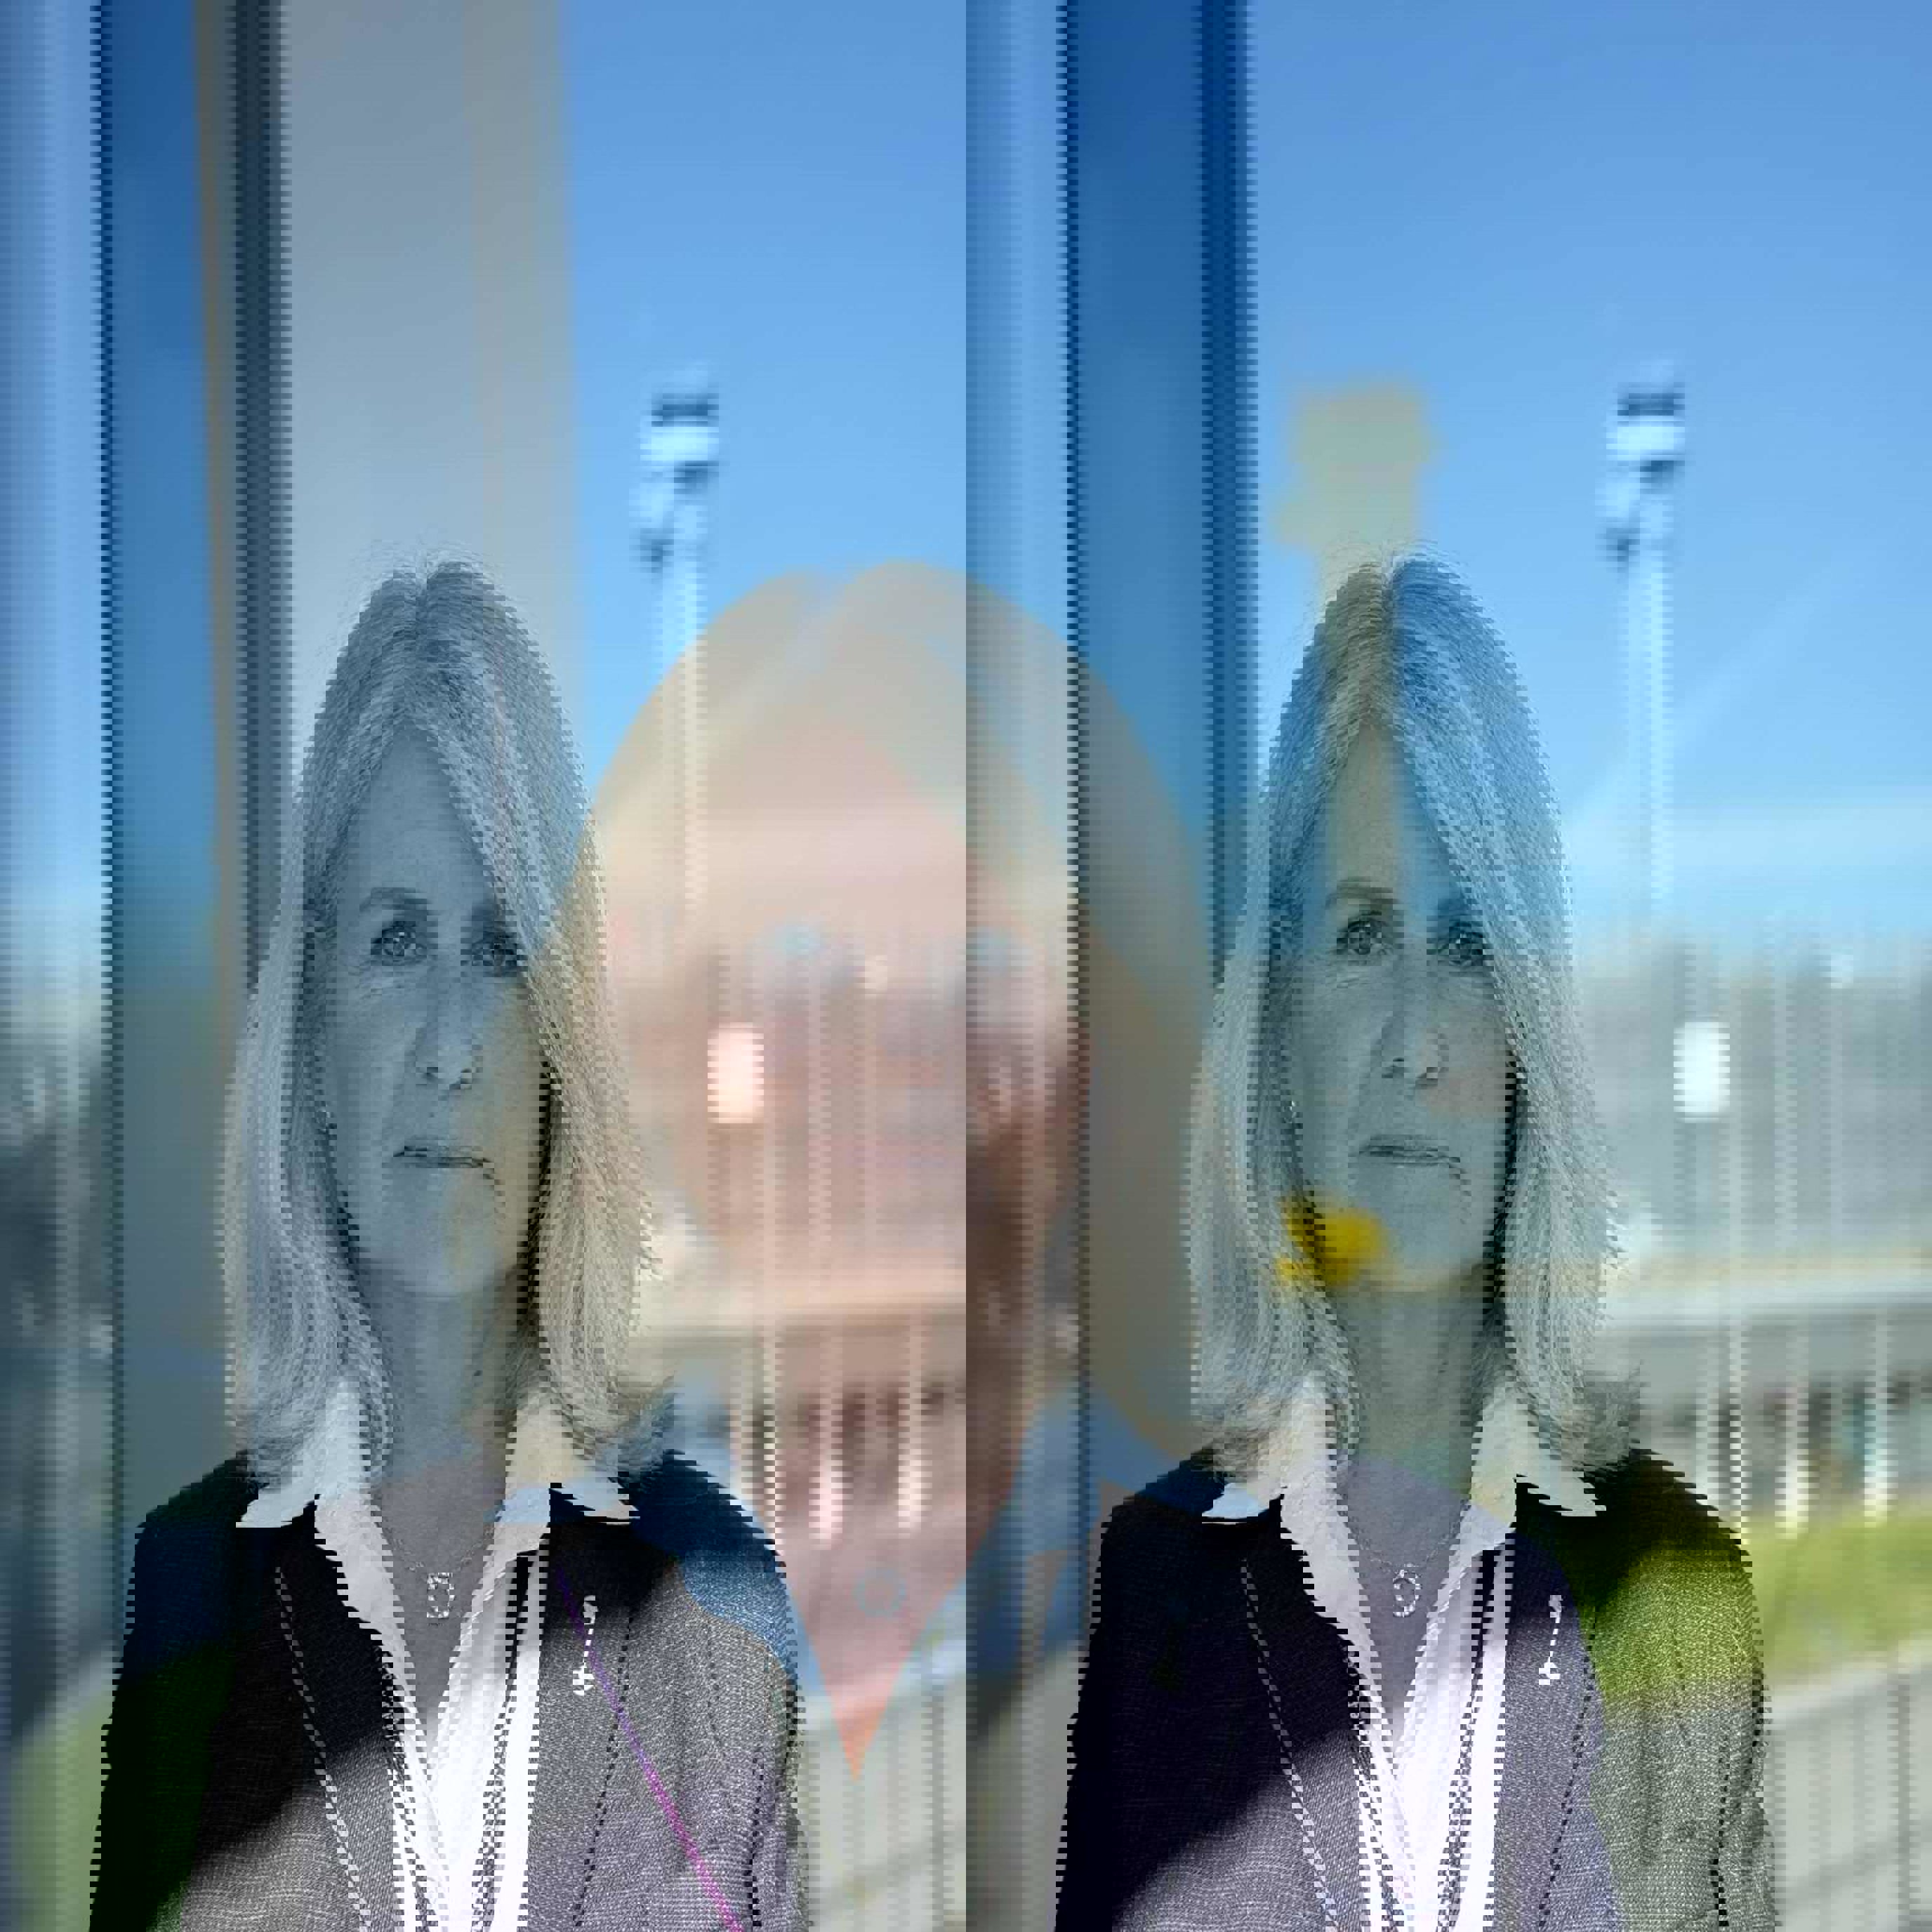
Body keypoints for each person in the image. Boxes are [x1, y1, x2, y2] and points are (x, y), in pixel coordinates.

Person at [1057, 557, 1774, 1930]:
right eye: (1360, 933)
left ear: (1522, 1041)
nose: (1417, 1036)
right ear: (1275, 1036)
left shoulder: (1677, 1583)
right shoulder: (1155, 1582)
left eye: (1465, 942)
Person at [93, 563, 807, 1930]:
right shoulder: (190, 1585)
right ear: (311, 1033)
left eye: (499, 947)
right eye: (395, 939)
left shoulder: (714, 1593)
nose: (450, 1043)